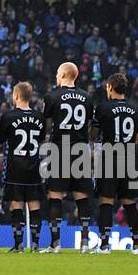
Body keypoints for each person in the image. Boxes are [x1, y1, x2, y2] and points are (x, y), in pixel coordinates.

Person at [42, 61, 92, 252]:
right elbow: (88, 125)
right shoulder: (86, 97)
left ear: (63, 75)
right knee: (82, 196)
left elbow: (47, 125)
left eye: (57, 73)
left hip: (59, 149)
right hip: (80, 148)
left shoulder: (52, 96)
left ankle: (55, 244)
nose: (56, 77)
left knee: (55, 195)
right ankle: (85, 243)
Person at [93, 72, 138, 253]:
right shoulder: (136, 108)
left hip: (109, 157)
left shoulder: (103, 108)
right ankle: (137, 245)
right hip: (130, 157)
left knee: (106, 201)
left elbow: (93, 135)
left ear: (111, 87)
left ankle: (105, 245)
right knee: (130, 203)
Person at [0, 82, 44, 252]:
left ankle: (18, 244)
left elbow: (1, 139)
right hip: (33, 167)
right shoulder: (39, 117)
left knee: (16, 206)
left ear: (16, 96)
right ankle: (35, 245)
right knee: (34, 206)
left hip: (14, 169)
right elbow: (40, 139)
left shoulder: (8, 116)